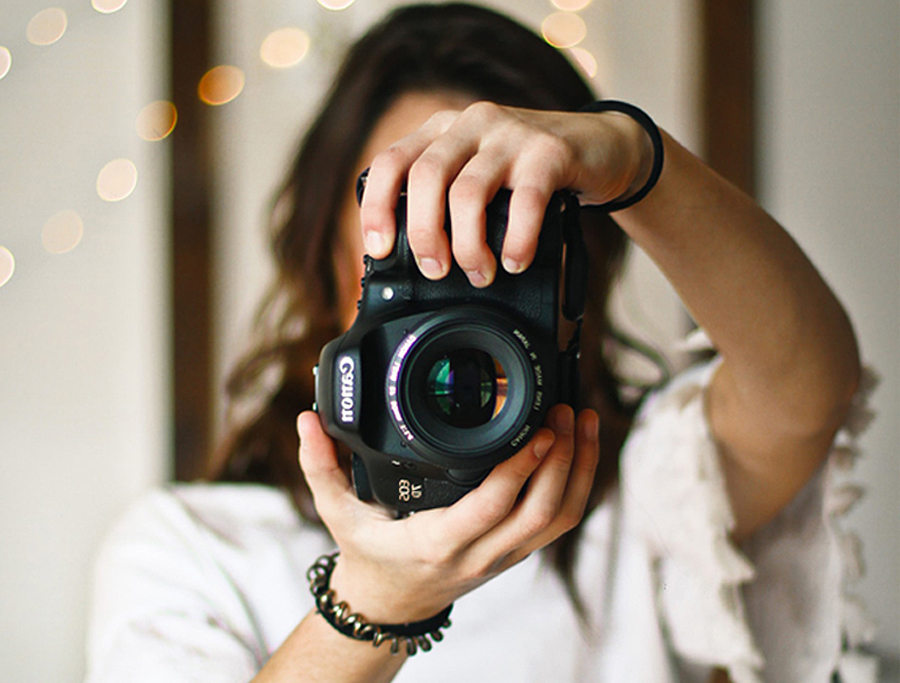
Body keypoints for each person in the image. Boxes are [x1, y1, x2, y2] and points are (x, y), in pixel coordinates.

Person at [84, 4, 877, 683]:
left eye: (503, 217)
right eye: (406, 215)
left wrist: (633, 160)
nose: (457, 258)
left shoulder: (635, 498)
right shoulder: (193, 546)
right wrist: (372, 604)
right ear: (322, 250)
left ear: (577, 270)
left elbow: (808, 391)